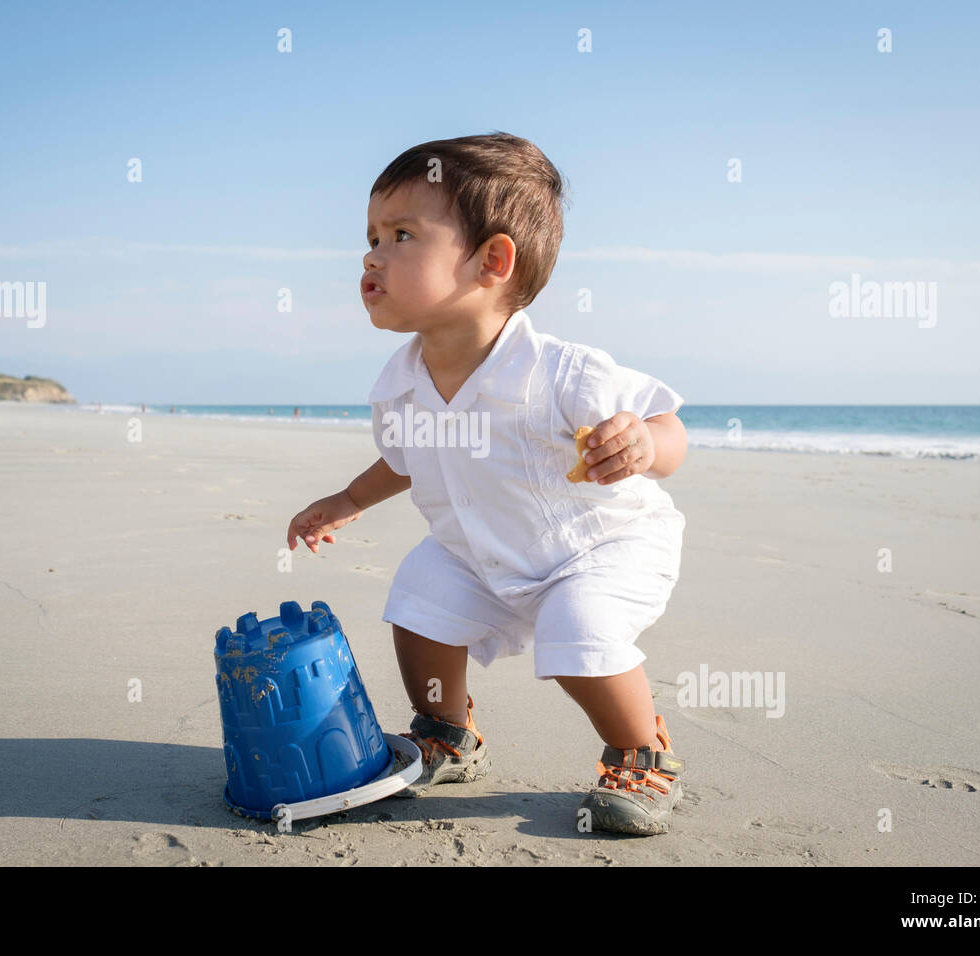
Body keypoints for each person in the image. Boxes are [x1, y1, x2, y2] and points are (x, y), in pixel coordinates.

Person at [285, 133, 689, 836]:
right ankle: (448, 732)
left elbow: (668, 428)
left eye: (402, 234)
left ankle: (642, 755)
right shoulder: (402, 385)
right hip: (478, 548)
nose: (370, 254)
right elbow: (405, 461)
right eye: (372, 235)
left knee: (579, 628)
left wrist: (644, 443)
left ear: (492, 262)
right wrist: (349, 499)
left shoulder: (563, 371)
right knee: (417, 601)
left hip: (597, 547)